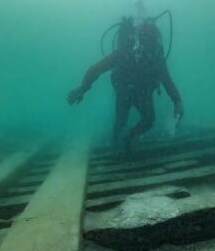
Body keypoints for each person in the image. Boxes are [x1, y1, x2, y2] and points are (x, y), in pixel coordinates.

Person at [66, 17, 184, 151]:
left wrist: (177, 101)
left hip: (132, 91)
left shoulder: (148, 56)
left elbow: (96, 69)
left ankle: (125, 138)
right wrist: (82, 88)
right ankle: (119, 138)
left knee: (140, 120)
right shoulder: (131, 54)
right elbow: (166, 80)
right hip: (129, 90)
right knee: (128, 120)